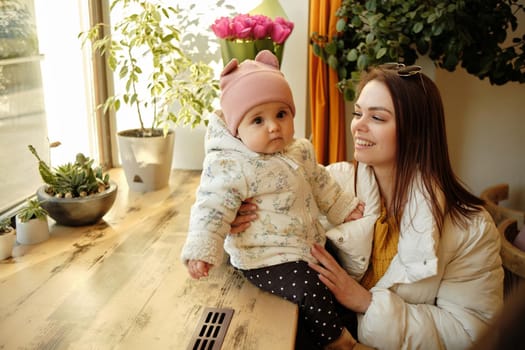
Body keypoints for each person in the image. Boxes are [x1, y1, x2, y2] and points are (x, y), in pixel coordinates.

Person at [232, 63, 505, 349]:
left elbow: (473, 334)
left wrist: (367, 303)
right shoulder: (328, 183)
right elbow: (264, 256)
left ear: (416, 131)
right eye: (357, 113)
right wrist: (243, 220)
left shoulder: (470, 227)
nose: (358, 126)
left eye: (377, 117)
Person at [181, 50, 380, 349]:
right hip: (264, 257)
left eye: (281, 115)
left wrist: (342, 207)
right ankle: (339, 342)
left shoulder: (299, 150)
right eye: (258, 120)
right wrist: (202, 249)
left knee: (336, 269)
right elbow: (211, 207)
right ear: (237, 130)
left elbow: (321, 183)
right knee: (309, 288)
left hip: (305, 245)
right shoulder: (232, 166)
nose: (273, 126)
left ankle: (350, 327)